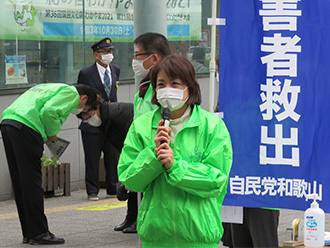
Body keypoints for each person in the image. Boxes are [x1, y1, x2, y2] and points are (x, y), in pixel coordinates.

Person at [118, 55, 233, 247]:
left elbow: (216, 180)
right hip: (156, 237)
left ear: (190, 86)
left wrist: (175, 166)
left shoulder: (212, 126)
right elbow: (129, 179)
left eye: (175, 83)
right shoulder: (142, 126)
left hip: (199, 236)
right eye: (161, 84)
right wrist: (154, 155)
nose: (167, 90)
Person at [0, 83, 97, 245]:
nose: (79, 111)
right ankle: (39, 233)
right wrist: (51, 134)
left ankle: (29, 233)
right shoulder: (71, 93)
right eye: (84, 108)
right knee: (32, 182)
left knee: (20, 181)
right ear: (84, 98)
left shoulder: (49, 87)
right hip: (27, 126)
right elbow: (50, 111)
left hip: (9, 122)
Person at [114, 32, 171, 234]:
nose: (135, 60)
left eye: (138, 55)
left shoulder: (165, 88)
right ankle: (134, 220)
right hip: (142, 150)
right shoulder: (146, 85)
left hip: (157, 153)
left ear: (153, 57)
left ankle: (142, 222)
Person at [77, 37, 120, 201]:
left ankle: (112, 187)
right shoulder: (87, 73)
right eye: (105, 52)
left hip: (110, 121)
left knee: (112, 156)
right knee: (92, 157)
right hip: (92, 123)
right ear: (96, 55)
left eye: (110, 52)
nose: (109, 55)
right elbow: (80, 97)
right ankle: (92, 190)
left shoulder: (115, 69)